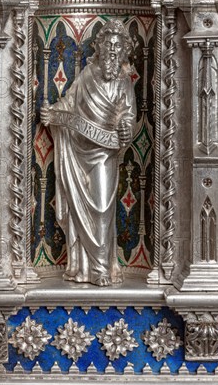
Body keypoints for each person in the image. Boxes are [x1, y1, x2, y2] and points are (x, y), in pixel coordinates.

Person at [41, 20, 136, 287]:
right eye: (109, 45)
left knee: (103, 208)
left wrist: (126, 127)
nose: (113, 50)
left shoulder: (124, 82)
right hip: (79, 150)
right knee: (80, 208)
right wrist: (53, 114)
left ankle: (102, 267)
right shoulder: (87, 75)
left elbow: (129, 115)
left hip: (105, 154)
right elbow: (69, 103)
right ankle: (85, 267)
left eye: (118, 46)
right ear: (101, 47)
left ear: (124, 51)